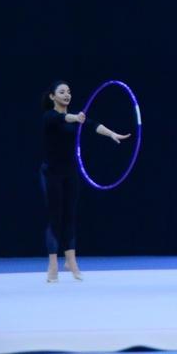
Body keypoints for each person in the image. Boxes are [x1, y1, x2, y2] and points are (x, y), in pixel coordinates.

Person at [40, 81, 131, 282]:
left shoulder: (75, 118)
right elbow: (63, 118)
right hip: (51, 173)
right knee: (55, 217)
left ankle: (71, 260)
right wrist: (76, 118)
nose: (66, 95)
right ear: (52, 97)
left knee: (70, 216)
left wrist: (112, 134)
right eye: (62, 92)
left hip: (70, 172)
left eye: (69, 91)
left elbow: (93, 125)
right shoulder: (49, 117)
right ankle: (53, 263)